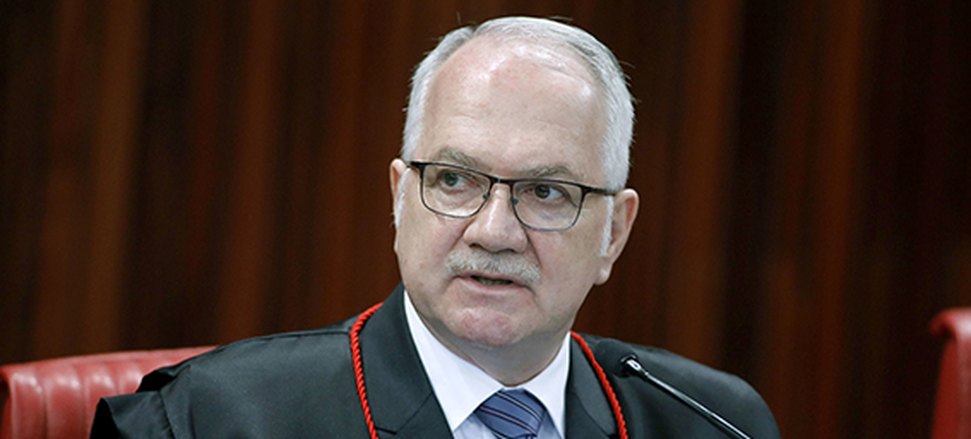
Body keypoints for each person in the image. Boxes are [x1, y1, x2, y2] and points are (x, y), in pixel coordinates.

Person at [92, 16, 779, 438]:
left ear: (614, 234)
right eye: (455, 180)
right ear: (401, 197)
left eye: (546, 192)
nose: (493, 231)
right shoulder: (212, 419)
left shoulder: (712, 423)